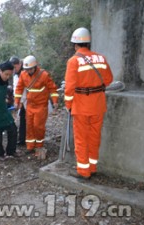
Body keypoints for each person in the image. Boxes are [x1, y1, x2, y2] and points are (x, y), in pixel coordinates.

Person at [64, 27, 113, 179]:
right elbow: (109, 79)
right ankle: (92, 167)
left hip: (81, 106)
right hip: (98, 105)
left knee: (81, 139)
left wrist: (68, 105)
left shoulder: (73, 61)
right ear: (89, 43)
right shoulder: (101, 58)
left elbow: (70, 87)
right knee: (94, 137)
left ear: (75, 45)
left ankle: (83, 171)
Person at [14, 55, 59, 154]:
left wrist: (55, 101)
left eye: (30, 69)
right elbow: (19, 89)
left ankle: (39, 145)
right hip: (30, 105)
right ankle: (30, 146)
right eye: (27, 69)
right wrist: (17, 101)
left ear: (35, 67)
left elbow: (53, 88)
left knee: (38, 126)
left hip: (41, 105)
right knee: (29, 126)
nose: (28, 71)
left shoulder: (44, 75)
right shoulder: (23, 74)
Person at [10, 56, 26, 146]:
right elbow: (16, 87)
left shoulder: (25, 72)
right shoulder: (15, 73)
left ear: (19, 64)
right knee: (22, 119)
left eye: (15, 67)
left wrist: (21, 102)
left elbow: (24, 90)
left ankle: (23, 139)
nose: (14, 70)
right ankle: (22, 139)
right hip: (20, 99)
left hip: (27, 100)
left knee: (25, 119)